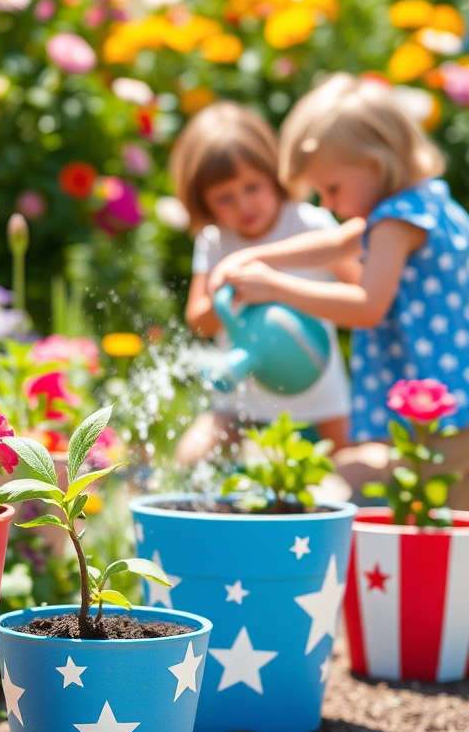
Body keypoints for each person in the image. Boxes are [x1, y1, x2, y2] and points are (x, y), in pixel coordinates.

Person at [209, 74, 469, 507]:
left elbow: (366, 307)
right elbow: (336, 242)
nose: (326, 204)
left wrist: (274, 285)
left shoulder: (395, 221)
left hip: (448, 409)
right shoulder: (423, 200)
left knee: (442, 513)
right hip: (453, 399)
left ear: (378, 163)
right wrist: (261, 258)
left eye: (331, 188)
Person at [172, 100, 353, 468]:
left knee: (354, 471)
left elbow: (362, 300)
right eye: (225, 198)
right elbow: (199, 321)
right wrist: (230, 292)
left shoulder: (311, 225)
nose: (243, 205)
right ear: (203, 201)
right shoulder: (214, 240)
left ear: (275, 176)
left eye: (252, 187)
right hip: (244, 398)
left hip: (320, 393)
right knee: (192, 457)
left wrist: (278, 287)